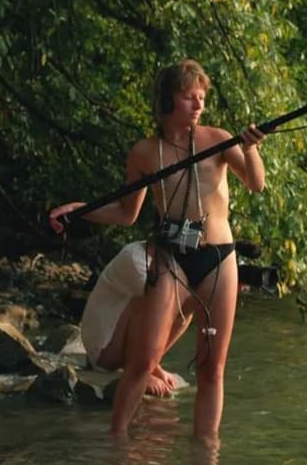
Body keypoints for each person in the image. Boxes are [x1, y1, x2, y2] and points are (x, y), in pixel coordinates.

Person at [50, 59, 266, 444]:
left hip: (219, 258)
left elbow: (256, 183)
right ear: (168, 100)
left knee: (211, 367)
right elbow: (125, 212)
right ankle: (116, 443)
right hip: (171, 259)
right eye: (188, 97)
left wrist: (250, 149)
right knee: (142, 362)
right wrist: (79, 211)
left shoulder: (218, 139)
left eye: (201, 97)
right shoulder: (146, 153)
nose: (198, 105)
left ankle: (206, 450)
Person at [80, 241, 191, 397]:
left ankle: (150, 364)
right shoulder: (135, 258)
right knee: (157, 303)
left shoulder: (166, 264)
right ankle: (137, 370)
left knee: (186, 306)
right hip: (103, 349)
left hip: (116, 339)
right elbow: (161, 309)